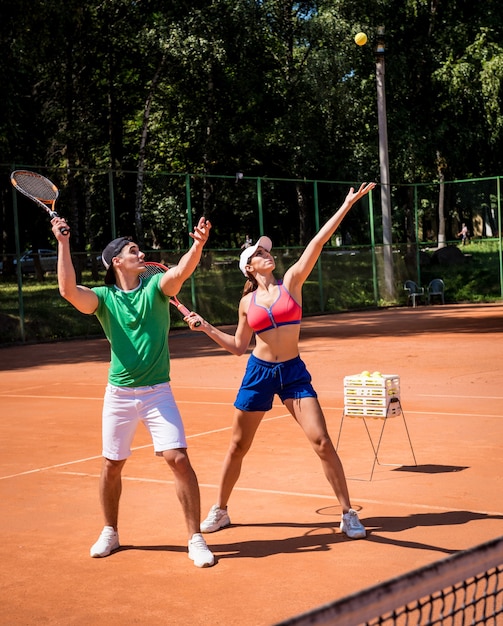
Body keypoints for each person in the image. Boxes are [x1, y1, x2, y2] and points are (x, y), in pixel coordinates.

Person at [185, 182, 376, 540]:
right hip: (259, 373)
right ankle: (221, 509)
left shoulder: (291, 282)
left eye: (266, 251)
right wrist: (207, 327)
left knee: (321, 441)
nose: (266, 254)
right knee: (238, 446)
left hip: (293, 373)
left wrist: (346, 205)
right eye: (258, 253)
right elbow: (239, 346)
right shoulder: (246, 304)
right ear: (249, 267)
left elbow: (316, 243)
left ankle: (348, 513)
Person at [50, 215, 215, 568]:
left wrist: (197, 245)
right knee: (112, 465)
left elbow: (180, 272)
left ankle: (195, 537)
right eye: (133, 250)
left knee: (179, 460)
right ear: (116, 262)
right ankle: (110, 530)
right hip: (119, 395)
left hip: (158, 393)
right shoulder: (103, 298)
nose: (141, 254)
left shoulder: (156, 288)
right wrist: (63, 244)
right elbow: (67, 291)